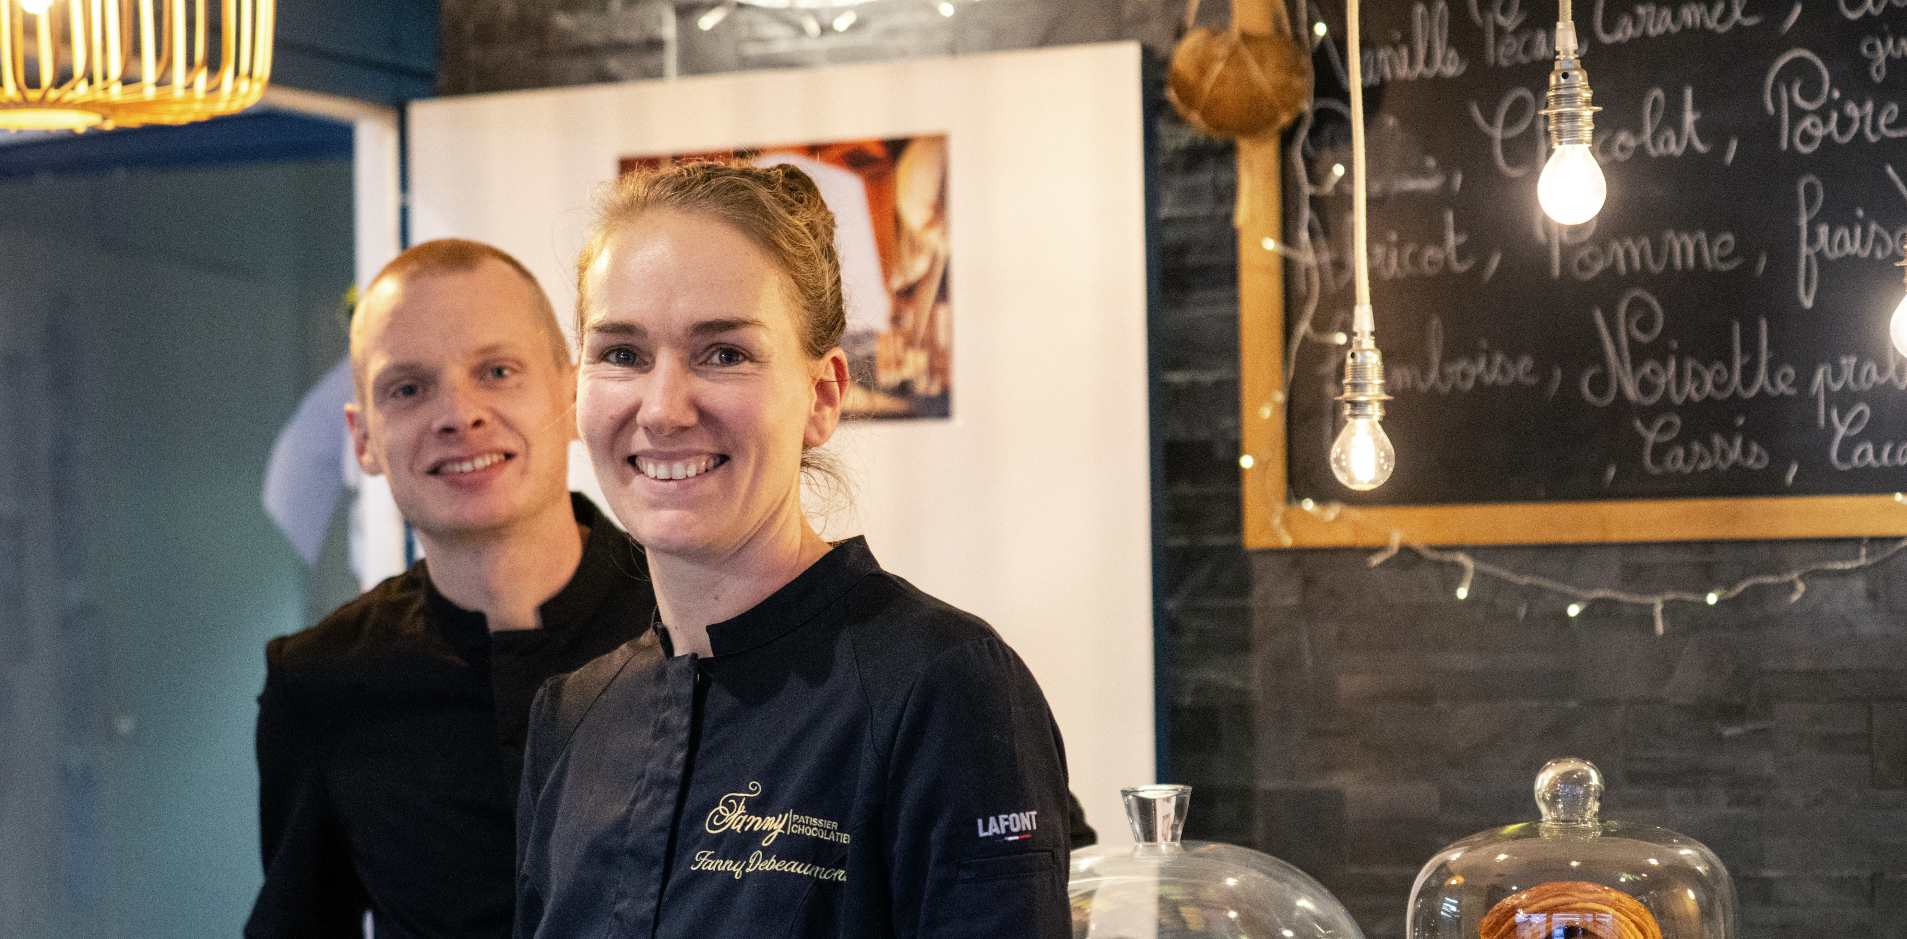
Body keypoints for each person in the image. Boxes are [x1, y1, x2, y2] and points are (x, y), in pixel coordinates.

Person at [514, 162, 1075, 939]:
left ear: (822, 397)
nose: (663, 407)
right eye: (622, 353)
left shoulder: (943, 686)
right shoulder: (574, 715)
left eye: (723, 353)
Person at [246, 240, 657, 939]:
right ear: (364, 438)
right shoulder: (318, 682)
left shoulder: (704, 620)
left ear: (568, 390)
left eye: (496, 371)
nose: (458, 414)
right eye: (407, 388)